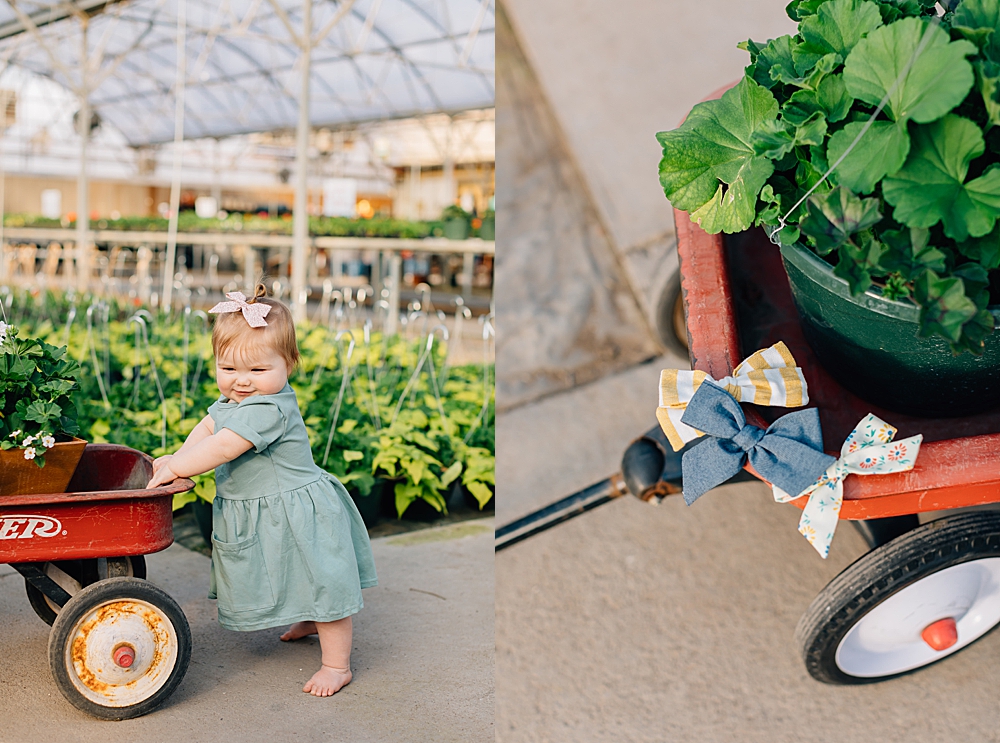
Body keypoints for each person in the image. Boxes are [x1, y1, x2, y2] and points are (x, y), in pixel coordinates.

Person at [146, 283, 377, 697]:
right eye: (229, 369)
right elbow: (209, 427)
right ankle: (307, 618)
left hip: (296, 510)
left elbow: (225, 444)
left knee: (324, 584)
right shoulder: (233, 401)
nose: (242, 382)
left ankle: (336, 665)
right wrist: (175, 457)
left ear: (289, 364)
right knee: (294, 573)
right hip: (269, 512)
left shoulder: (270, 408)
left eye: (257, 370)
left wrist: (180, 466)